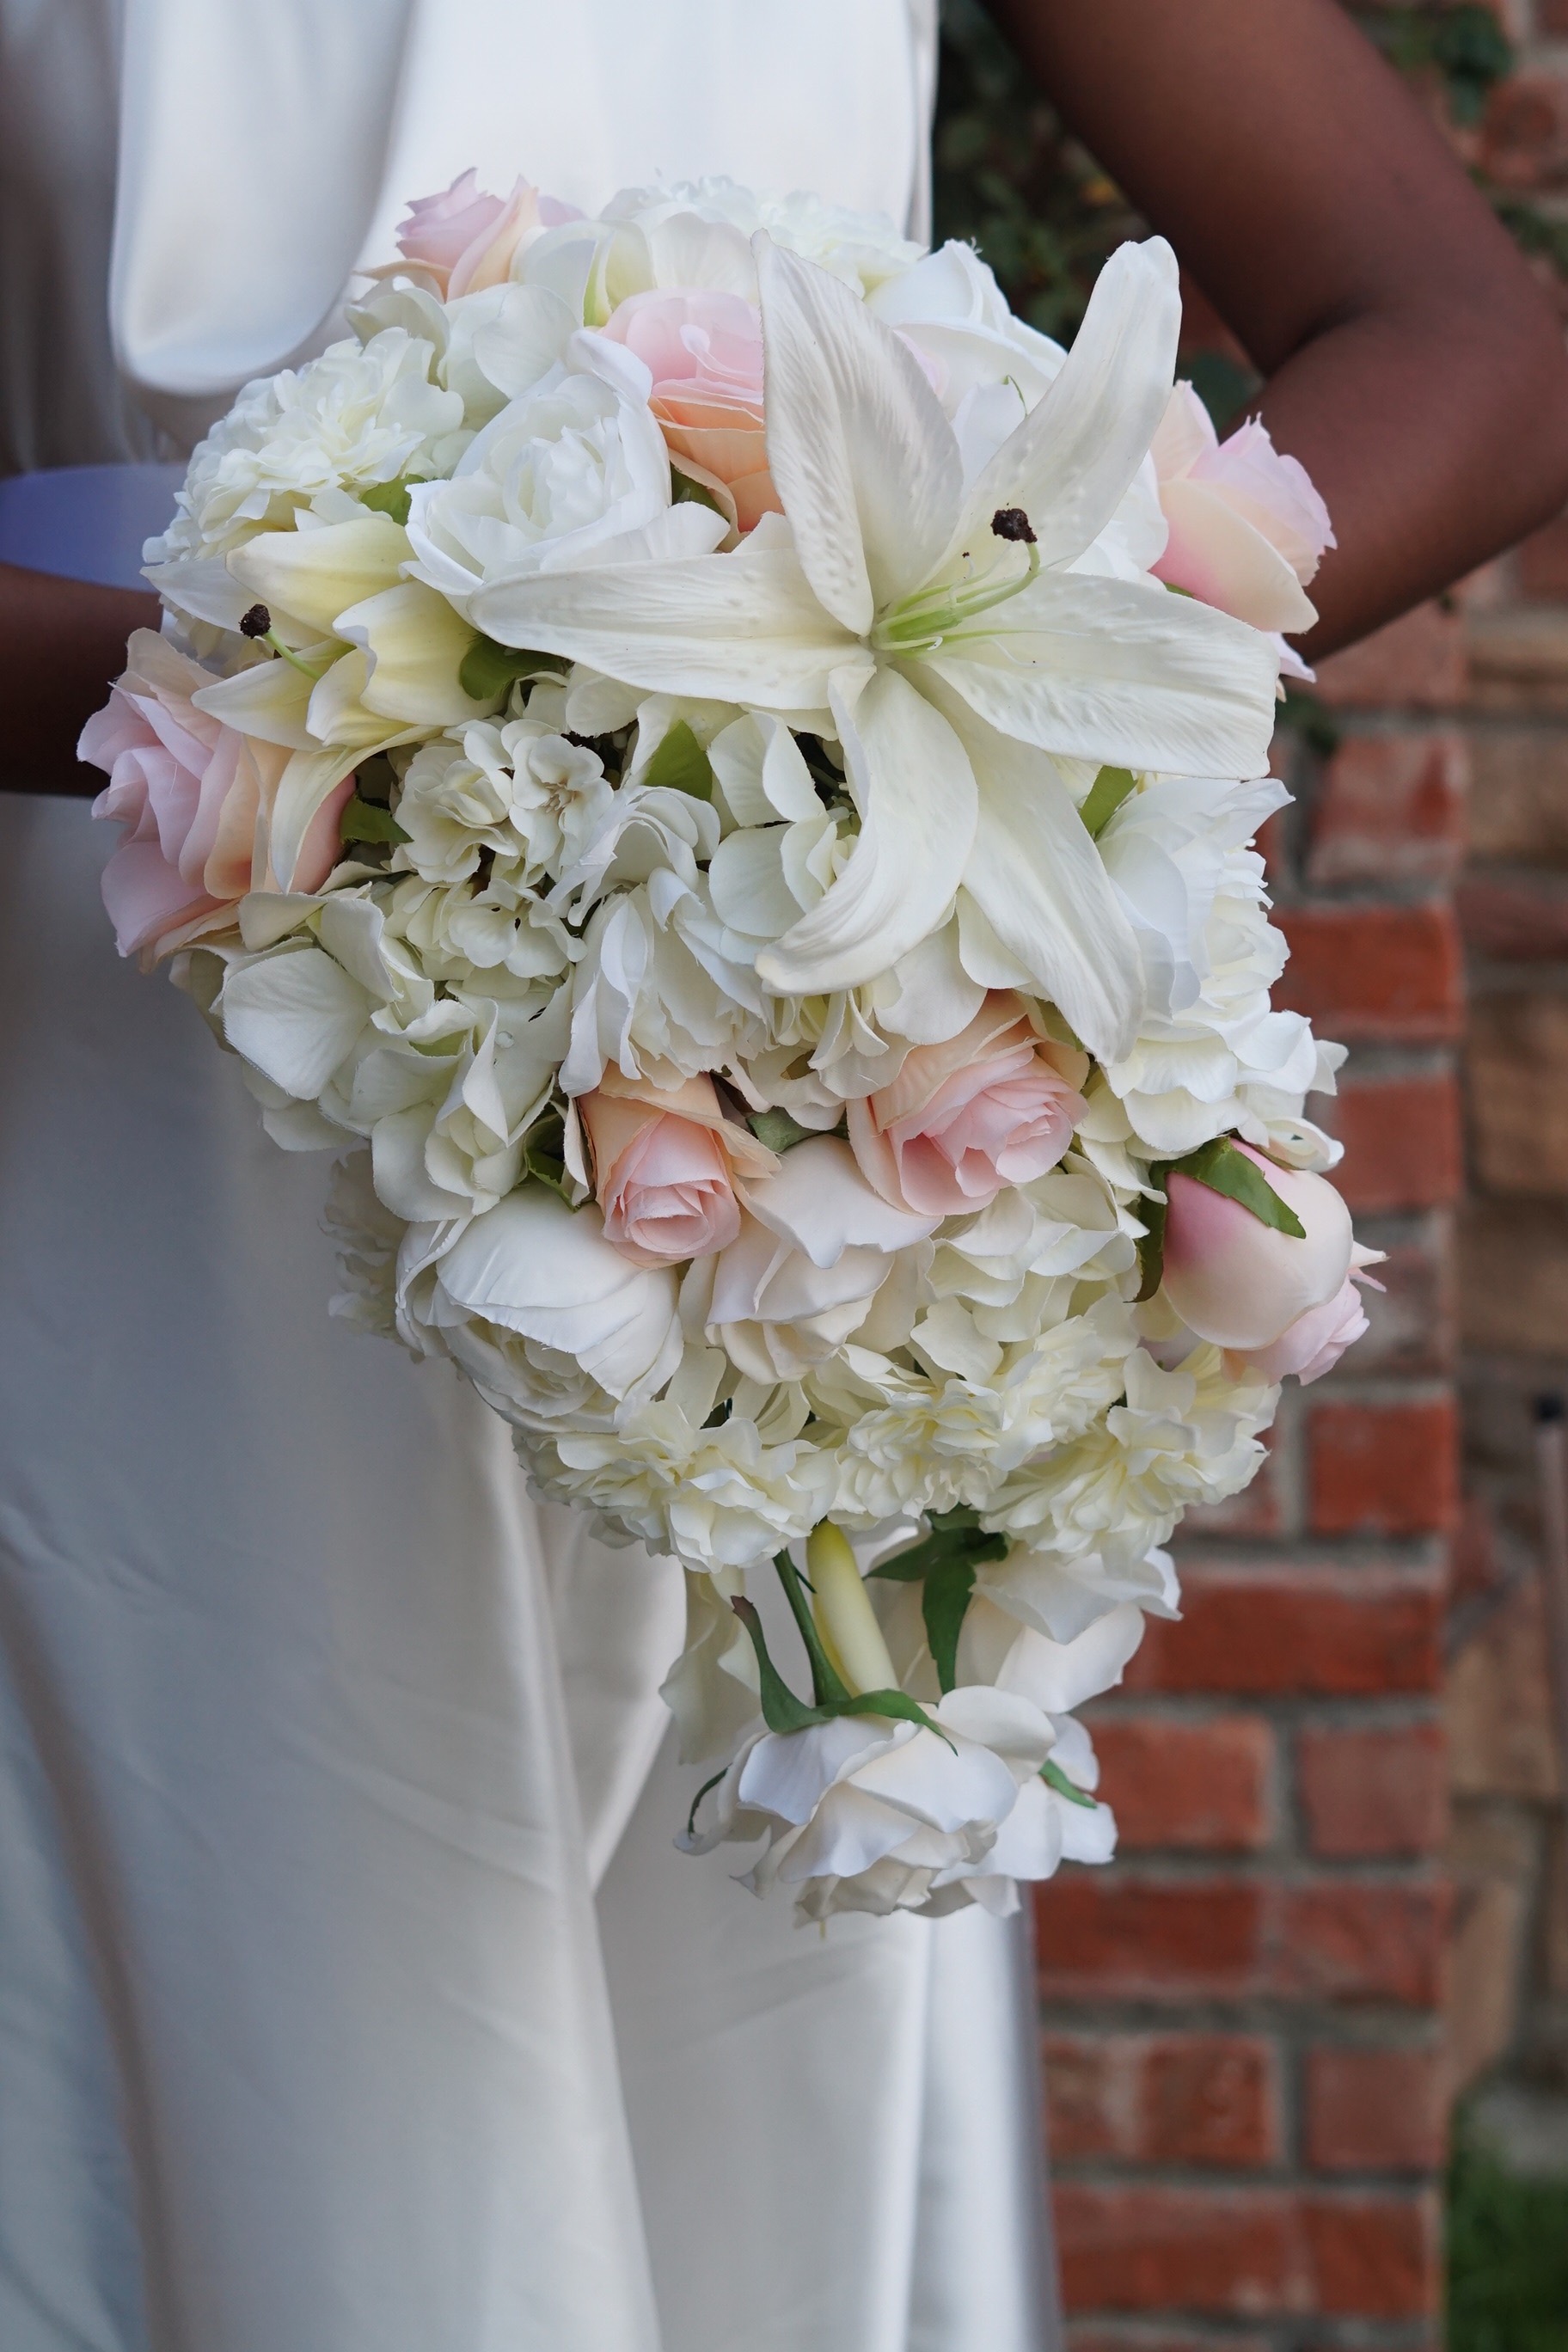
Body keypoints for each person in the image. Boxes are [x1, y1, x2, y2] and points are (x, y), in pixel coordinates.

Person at [1, 4, 1564, 2350]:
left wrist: (987, 691)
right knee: (255, 1973)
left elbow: (1454, 331)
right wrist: (375, 709)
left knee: (751, 2000)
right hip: (172, 990)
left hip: (814, 1065)